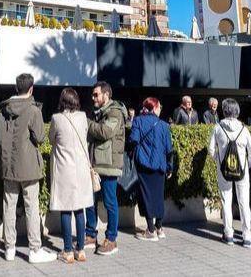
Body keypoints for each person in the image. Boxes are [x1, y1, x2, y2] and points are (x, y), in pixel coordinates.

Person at [0, 74, 55, 263]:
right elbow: (39, 137)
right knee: (32, 206)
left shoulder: (3, 110)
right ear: (31, 89)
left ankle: (9, 249)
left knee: (9, 206)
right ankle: (34, 250)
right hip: (29, 166)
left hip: (8, 166)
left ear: (16, 88)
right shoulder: (33, 110)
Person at [48, 88, 93, 264]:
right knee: (80, 209)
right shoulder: (82, 117)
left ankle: (67, 251)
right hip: (81, 170)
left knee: (66, 210)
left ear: (62, 101)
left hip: (64, 170)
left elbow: (52, 139)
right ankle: (80, 250)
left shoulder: (56, 119)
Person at [208, 98, 251, 247]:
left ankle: (228, 234)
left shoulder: (217, 128)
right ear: (237, 111)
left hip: (224, 170)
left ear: (224, 110)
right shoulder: (244, 129)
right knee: (243, 202)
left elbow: (211, 149)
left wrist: (219, 161)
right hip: (242, 170)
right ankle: (247, 236)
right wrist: (247, 165)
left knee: (226, 201)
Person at [85, 82, 124, 256]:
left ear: (106, 95)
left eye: (96, 94)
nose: (93, 97)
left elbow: (105, 132)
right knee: (89, 202)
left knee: (110, 202)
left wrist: (85, 123)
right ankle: (91, 235)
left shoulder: (114, 112)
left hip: (109, 166)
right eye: (93, 95)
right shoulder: (99, 113)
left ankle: (111, 239)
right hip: (96, 164)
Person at [128, 97, 174, 241]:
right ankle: (159, 228)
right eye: (159, 107)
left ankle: (150, 229)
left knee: (146, 196)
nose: (160, 109)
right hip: (160, 166)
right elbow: (169, 149)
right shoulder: (164, 125)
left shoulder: (138, 121)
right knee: (159, 196)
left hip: (144, 164)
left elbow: (133, 140)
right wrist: (169, 167)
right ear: (154, 108)